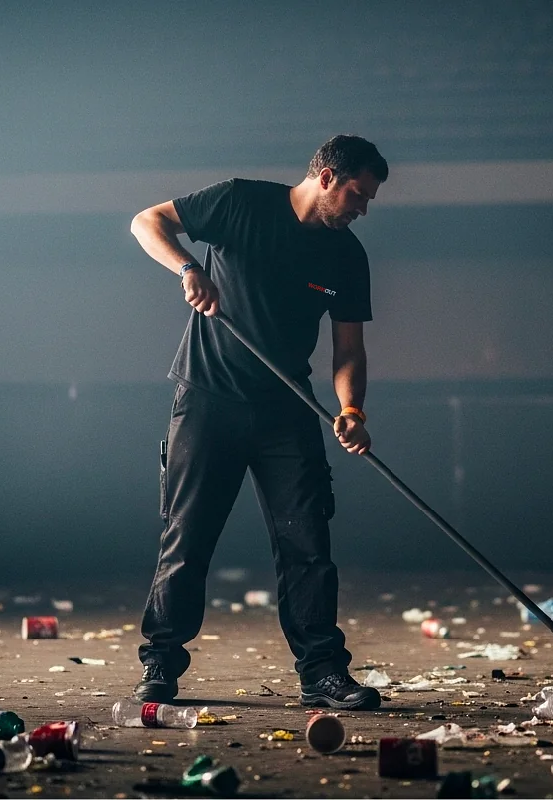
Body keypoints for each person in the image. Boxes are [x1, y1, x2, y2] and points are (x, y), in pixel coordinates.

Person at [128, 135, 388, 710]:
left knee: (308, 543)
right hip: (207, 399)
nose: (361, 208)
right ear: (325, 175)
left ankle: (322, 672)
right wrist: (188, 268)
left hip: (286, 409)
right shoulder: (240, 203)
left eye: (368, 200)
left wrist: (351, 410)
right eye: (356, 194)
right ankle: (161, 666)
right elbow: (146, 222)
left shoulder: (347, 256)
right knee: (187, 537)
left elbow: (349, 352)